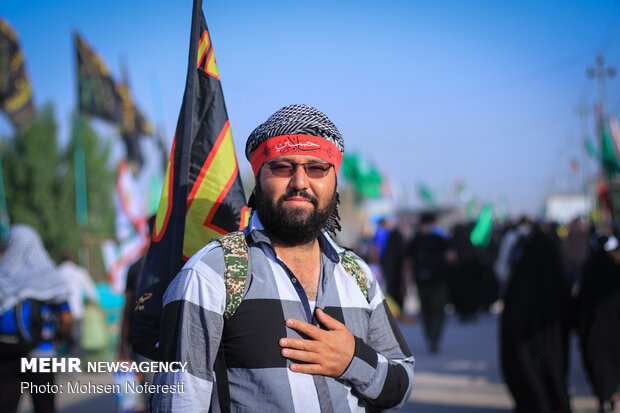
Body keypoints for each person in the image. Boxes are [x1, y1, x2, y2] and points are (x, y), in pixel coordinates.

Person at [152, 104, 414, 412]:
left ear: (334, 181)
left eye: (316, 168)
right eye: (282, 167)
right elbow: (178, 403)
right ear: (259, 176)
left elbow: (403, 382)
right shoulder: (212, 273)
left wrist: (352, 359)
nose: (300, 182)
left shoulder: (358, 274)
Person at [499, 224, 572, 413]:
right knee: (553, 375)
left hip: (525, 352)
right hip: (553, 343)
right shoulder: (557, 279)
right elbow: (568, 310)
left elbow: (508, 327)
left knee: (529, 377)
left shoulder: (520, 282)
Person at [0, 224, 71, 413]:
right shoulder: (50, 276)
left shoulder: (3, 276)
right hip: (42, 354)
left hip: (7, 353)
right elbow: (65, 317)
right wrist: (58, 339)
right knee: (45, 407)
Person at [575, 229, 620, 413]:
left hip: (593, 328)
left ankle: (604, 397)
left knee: (597, 363)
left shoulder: (589, 269)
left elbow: (580, 300)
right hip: (615, 328)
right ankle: (610, 396)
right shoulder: (616, 269)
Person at [407, 212, 451, 354]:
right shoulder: (440, 238)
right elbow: (450, 257)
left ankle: (429, 336)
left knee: (426, 311)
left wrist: (407, 281)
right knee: (439, 310)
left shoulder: (415, 239)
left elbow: (408, 261)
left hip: (422, 280)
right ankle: (435, 337)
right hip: (439, 280)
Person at [57, 250, 98, 357]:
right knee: (75, 341)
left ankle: (62, 368)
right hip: (76, 311)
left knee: (61, 342)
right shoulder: (79, 272)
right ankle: (73, 369)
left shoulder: (57, 272)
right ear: (73, 259)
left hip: (60, 312)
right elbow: (92, 294)